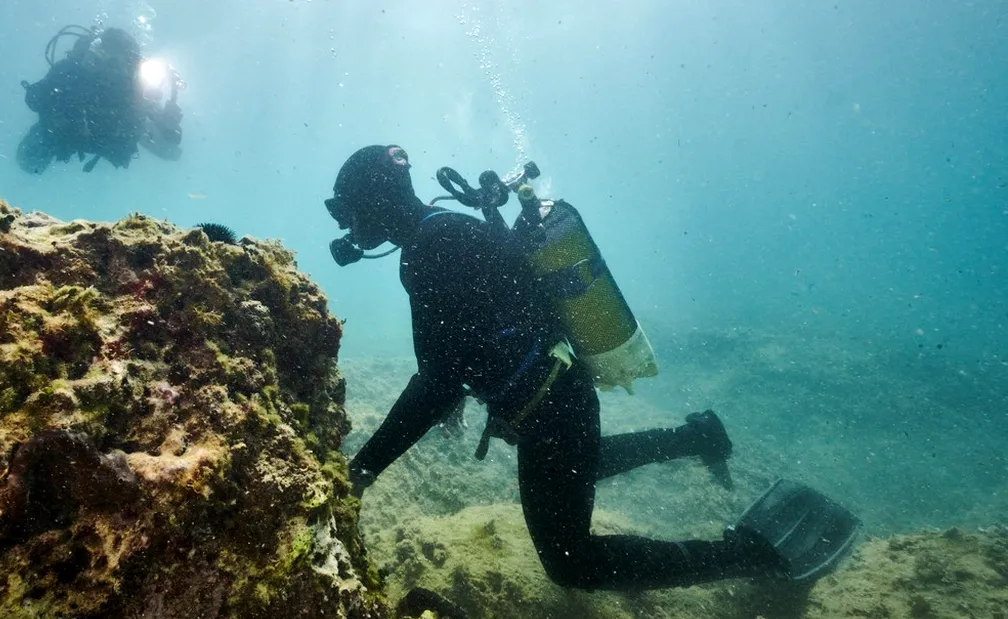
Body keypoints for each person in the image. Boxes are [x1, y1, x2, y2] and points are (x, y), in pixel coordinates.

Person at [327, 144, 858, 591]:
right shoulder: (444, 232)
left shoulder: (429, 247)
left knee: (572, 563)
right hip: (559, 392)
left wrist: (363, 471)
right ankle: (698, 436)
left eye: (344, 210)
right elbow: (467, 349)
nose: (345, 224)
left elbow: (439, 381)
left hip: (552, 406)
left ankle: (753, 554)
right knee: (578, 463)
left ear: (374, 200)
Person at [17, 25, 184, 174]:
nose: (113, 69)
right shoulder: (73, 71)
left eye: (122, 62)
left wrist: (168, 126)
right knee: (27, 161)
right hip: (69, 131)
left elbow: (172, 146)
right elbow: (34, 100)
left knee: (170, 151)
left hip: (113, 136)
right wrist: (55, 92)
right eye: (109, 58)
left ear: (133, 64)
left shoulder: (137, 88)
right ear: (97, 53)